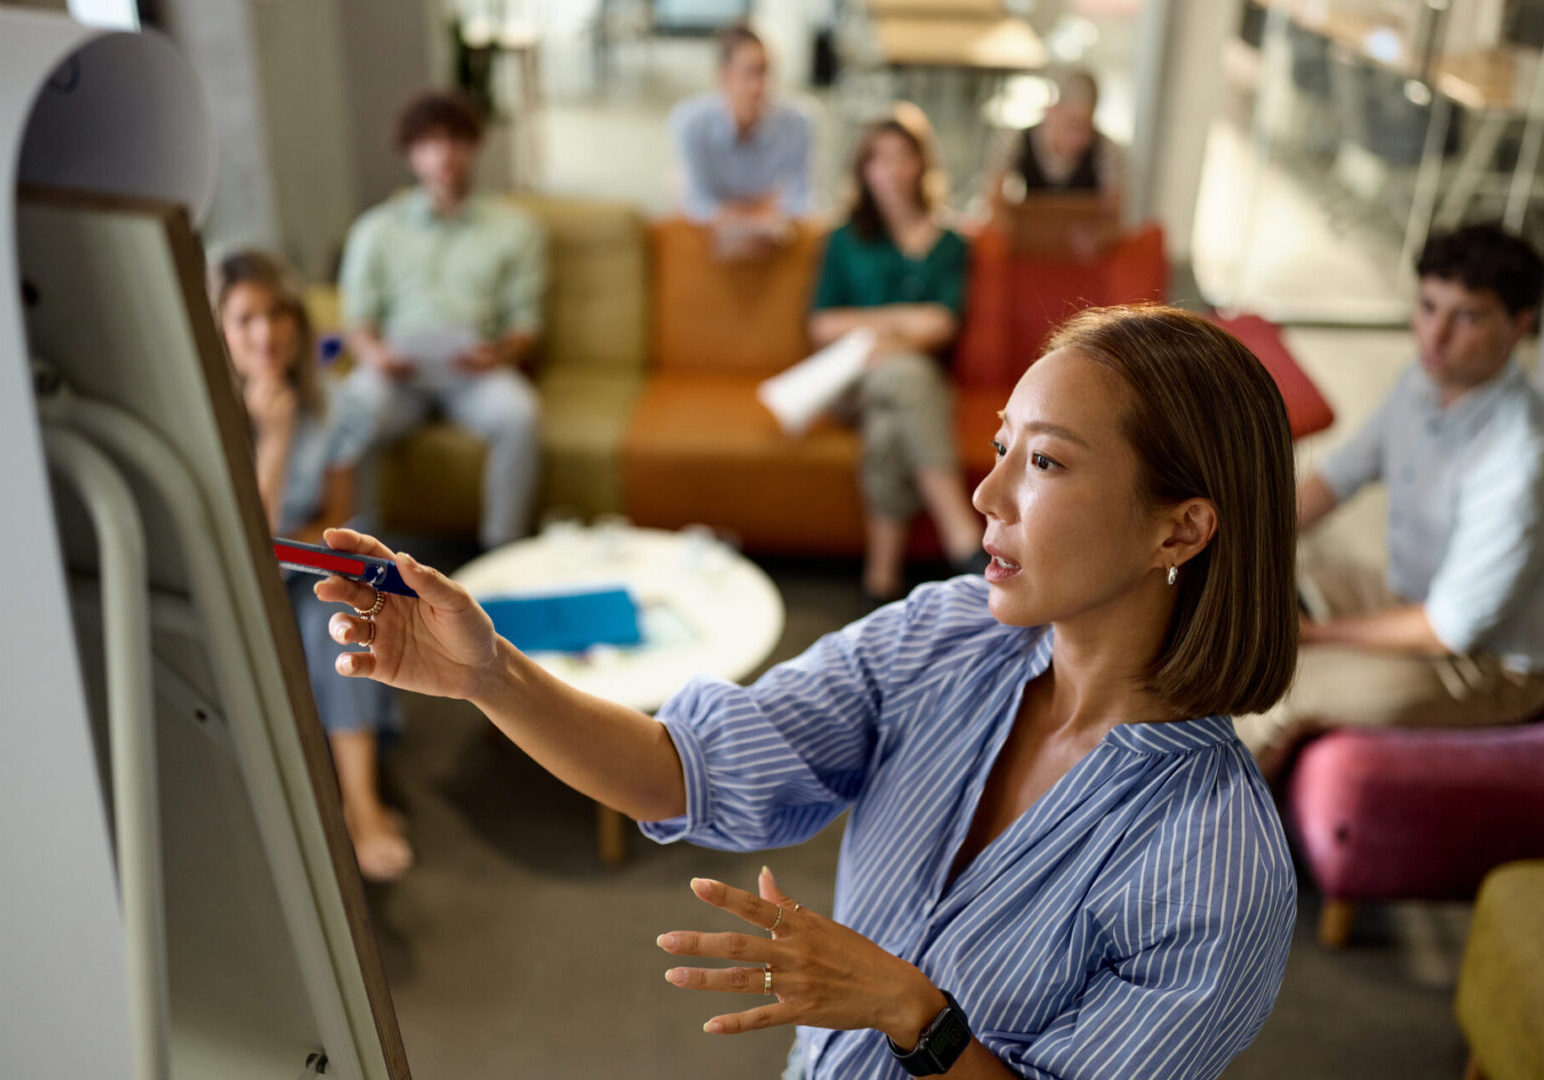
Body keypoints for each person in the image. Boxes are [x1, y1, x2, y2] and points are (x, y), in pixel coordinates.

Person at [314, 304, 1299, 1079]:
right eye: (1000, 446)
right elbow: (682, 770)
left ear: (1180, 531)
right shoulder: (945, 635)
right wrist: (489, 672)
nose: (985, 495)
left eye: (1042, 462)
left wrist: (908, 1014)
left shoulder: (1214, 864)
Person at [1235, 224, 1544, 778]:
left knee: (1280, 688)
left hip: (1487, 663)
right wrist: (1242, 545)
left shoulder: (1521, 457)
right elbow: (1339, 476)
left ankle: (1197, 843)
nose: (1435, 334)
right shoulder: (1423, 381)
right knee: (1240, 605)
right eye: (1427, 306)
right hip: (1407, 591)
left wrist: (1314, 637)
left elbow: (1451, 629)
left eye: (1467, 316)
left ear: (1520, 325)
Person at [213, 251, 411, 882]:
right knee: (300, 593)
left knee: (338, 604)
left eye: (276, 314)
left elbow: (337, 530)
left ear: (298, 321)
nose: (265, 334)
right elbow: (241, 559)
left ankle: (362, 805)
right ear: (218, 329)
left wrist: (278, 542)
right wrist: (272, 442)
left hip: (302, 565)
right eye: (245, 319)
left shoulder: (333, 409)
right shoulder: (211, 420)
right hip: (235, 583)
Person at [334, 89, 545, 551]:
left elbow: (525, 323)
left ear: (473, 146)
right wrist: (375, 354)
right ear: (411, 154)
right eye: (429, 142)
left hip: (475, 373)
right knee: (349, 411)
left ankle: (502, 551)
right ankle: (356, 553)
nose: (444, 154)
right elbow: (356, 320)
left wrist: (500, 353)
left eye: (455, 140)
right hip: (397, 375)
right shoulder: (377, 229)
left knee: (519, 415)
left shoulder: (515, 228)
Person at [808, 104, 982, 601]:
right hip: (850, 381)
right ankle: (962, 539)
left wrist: (880, 334)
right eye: (878, 159)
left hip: (910, 387)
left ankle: (881, 581)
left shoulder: (951, 242)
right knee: (906, 378)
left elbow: (944, 323)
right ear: (863, 170)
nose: (891, 170)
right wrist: (900, 323)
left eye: (902, 156)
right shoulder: (843, 239)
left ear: (921, 164)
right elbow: (823, 325)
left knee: (892, 419)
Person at [669, 23, 813, 258]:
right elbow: (697, 204)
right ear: (723, 76)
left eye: (765, 72)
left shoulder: (799, 122)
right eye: (749, 73)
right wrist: (762, 209)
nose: (759, 86)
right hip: (715, 245)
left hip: (773, 244)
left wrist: (732, 213)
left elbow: (802, 201)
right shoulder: (690, 122)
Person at [988, 68, 1124, 212]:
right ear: (1052, 112)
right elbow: (994, 201)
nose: (1081, 138)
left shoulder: (1107, 150)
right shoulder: (1015, 141)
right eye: (1074, 125)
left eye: (1087, 128)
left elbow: (1112, 215)